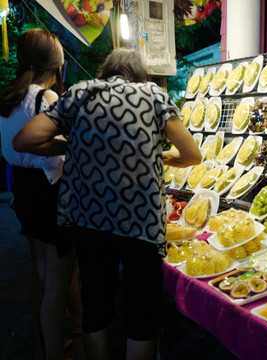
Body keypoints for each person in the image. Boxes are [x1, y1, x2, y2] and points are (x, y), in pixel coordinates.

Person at [13, 48, 202, 360]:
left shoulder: (78, 94)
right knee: (141, 309)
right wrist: (162, 154)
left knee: (96, 304)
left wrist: (74, 144)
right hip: (140, 221)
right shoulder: (153, 95)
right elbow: (192, 154)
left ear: (105, 72)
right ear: (141, 75)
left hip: (89, 219)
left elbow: (24, 141)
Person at [0, 28, 77, 360]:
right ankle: (52, 353)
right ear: (57, 62)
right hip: (50, 190)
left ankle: (43, 345)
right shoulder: (46, 98)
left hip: (22, 185)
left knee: (38, 273)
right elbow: (66, 144)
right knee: (57, 281)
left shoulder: (9, 96)